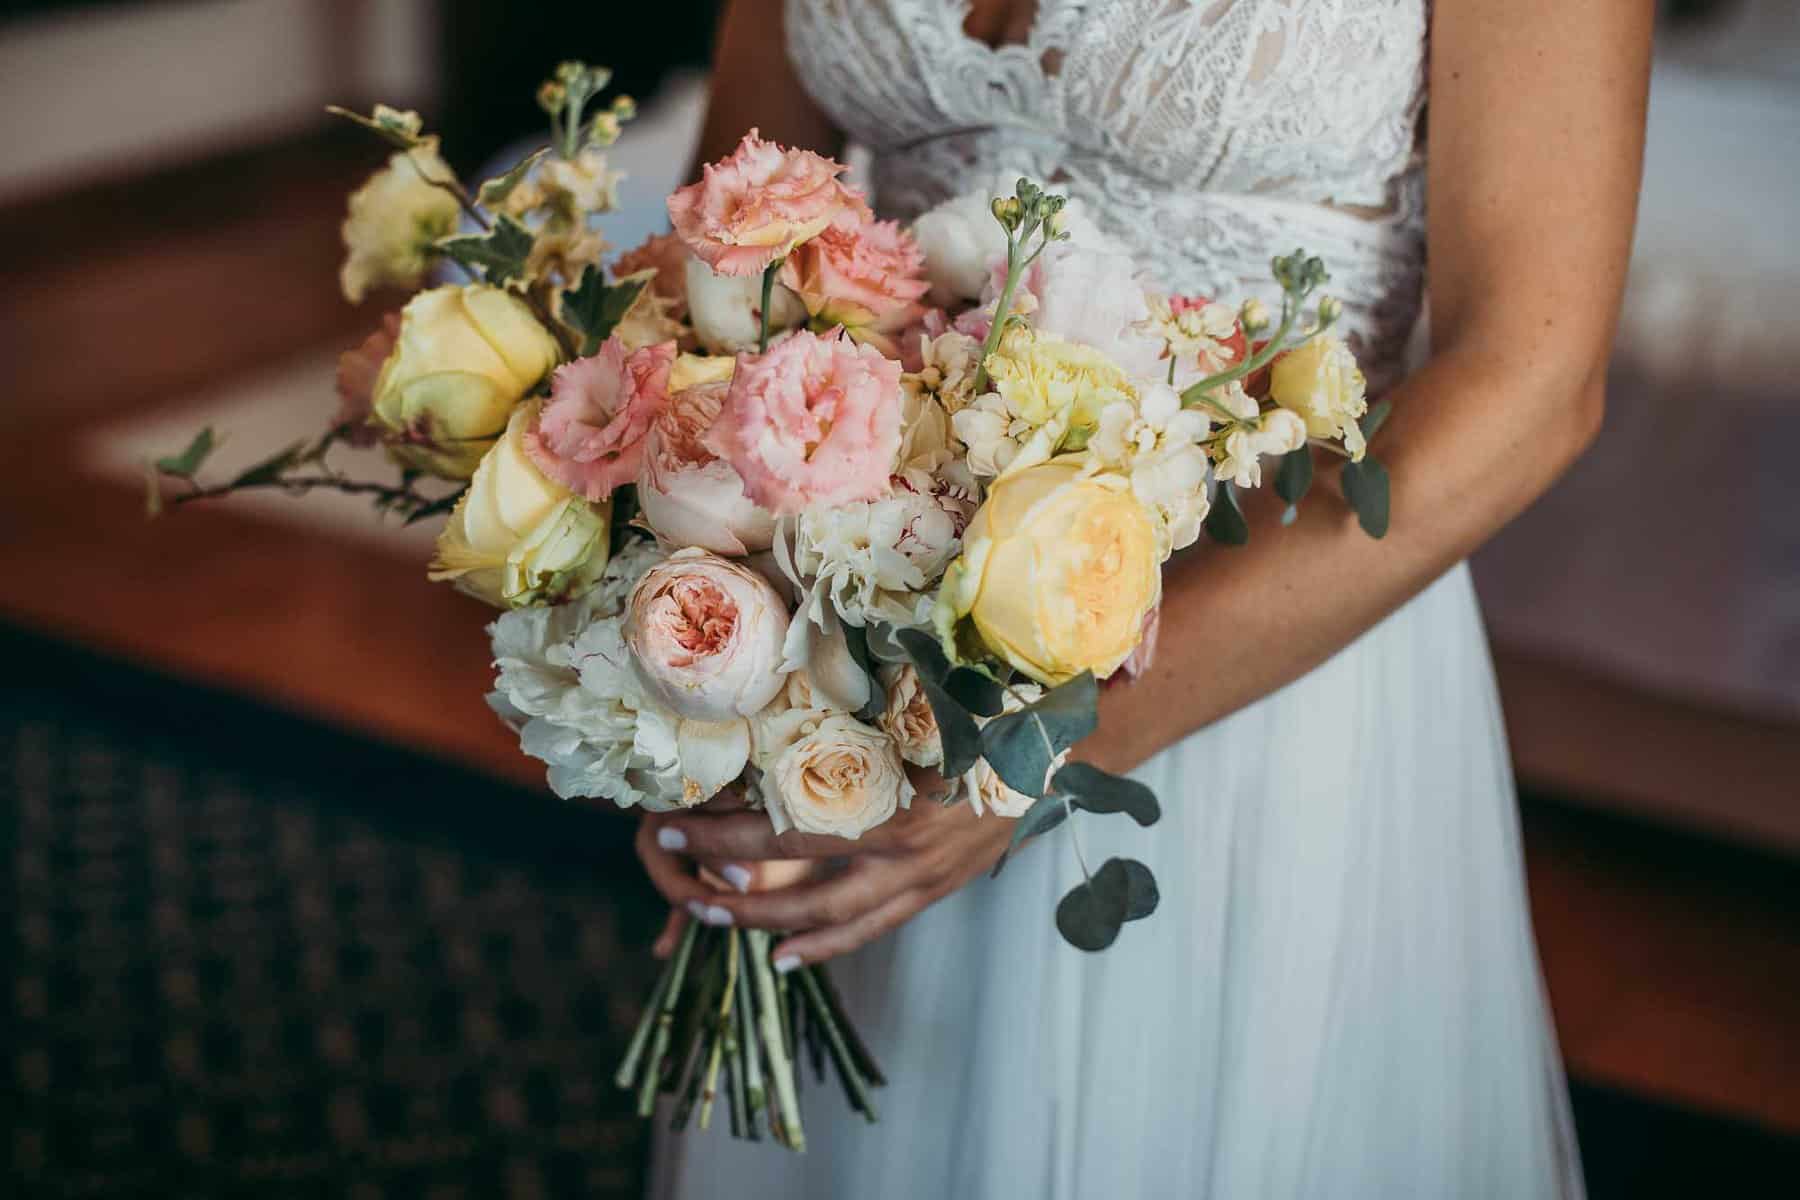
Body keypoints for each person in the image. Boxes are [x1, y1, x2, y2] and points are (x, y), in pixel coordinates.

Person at [639, 1, 1651, 1195]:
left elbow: (1533, 381)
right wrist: (690, 620)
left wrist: (1055, 745)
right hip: (867, 653)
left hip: (1255, 673)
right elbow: (739, 224)